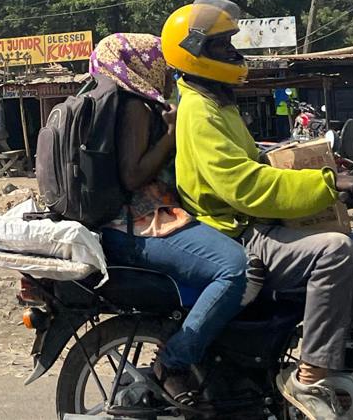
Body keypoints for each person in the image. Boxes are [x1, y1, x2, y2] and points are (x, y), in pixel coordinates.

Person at [162, 0, 353, 419]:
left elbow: (253, 158)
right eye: (222, 47)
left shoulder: (215, 100)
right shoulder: (200, 110)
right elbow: (245, 184)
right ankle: (308, 377)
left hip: (248, 221)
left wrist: (319, 161)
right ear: (195, 52)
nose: (235, 55)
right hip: (236, 228)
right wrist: (327, 185)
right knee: (334, 251)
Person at [90, 32, 249, 403]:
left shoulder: (120, 102)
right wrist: (173, 132)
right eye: (159, 63)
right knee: (233, 267)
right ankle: (175, 361)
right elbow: (133, 175)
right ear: (142, 65)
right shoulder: (133, 106)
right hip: (137, 225)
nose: (167, 72)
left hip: (142, 219)